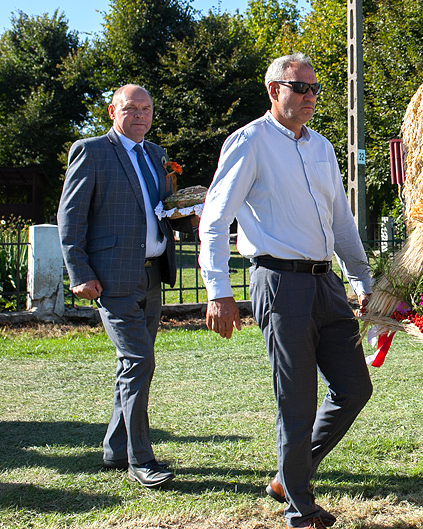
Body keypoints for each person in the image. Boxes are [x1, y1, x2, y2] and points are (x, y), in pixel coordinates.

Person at [199, 53, 372, 529]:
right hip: (277, 282)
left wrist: (361, 280)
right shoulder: (249, 142)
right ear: (273, 90)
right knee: (295, 399)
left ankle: (287, 476)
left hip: (325, 284)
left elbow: (341, 223)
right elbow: (214, 222)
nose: (310, 97)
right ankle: (301, 508)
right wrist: (218, 290)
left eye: (315, 88)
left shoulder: (324, 148)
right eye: (300, 88)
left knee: (355, 387)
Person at [57, 84, 178, 488]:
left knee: (133, 364)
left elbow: (161, 209)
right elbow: (70, 218)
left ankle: (114, 446)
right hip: (111, 279)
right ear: (113, 111)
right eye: (131, 108)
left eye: (146, 108)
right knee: (140, 361)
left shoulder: (155, 153)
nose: (140, 115)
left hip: (152, 274)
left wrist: (189, 211)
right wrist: (79, 272)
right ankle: (140, 459)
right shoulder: (91, 151)